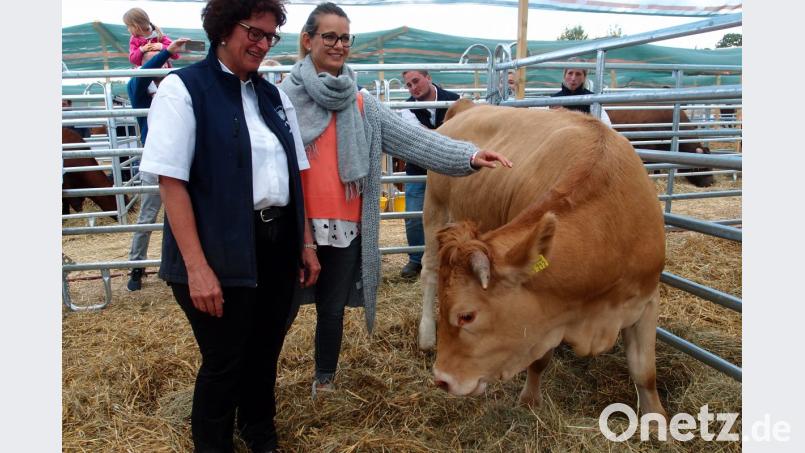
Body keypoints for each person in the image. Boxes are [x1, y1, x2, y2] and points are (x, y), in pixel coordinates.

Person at [279, 2, 511, 399]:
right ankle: (256, 382)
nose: (338, 45)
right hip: (296, 227)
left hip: (347, 227)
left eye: (345, 38)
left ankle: (324, 381)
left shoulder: (362, 103)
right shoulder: (282, 99)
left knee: (332, 312)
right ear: (308, 40)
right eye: (329, 36)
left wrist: (468, 156)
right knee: (277, 313)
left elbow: (417, 141)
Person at [138, 0, 318, 451]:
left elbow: (297, 173)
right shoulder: (184, 89)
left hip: (275, 241)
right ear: (221, 29)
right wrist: (196, 267)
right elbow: (171, 182)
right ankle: (212, 443)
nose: (261, 43)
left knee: (265, 350)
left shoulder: (272, 96)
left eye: (270, 35)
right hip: (216, 247)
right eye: (253, 32)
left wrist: (306, 240)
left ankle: (259, 432)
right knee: (224, 358)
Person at [125, 38, 189, 292]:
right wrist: (164, 53)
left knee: (186, 214)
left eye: (162, 54)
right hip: (155, 162)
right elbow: (142, 77)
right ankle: (137, 266)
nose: (161, 58)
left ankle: (182, 265)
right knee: (148, 216)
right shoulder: (139, 89)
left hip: (183, 160)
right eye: (153, 55)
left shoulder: (178, 86)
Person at [397, 69, 460, 280]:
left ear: (428, 78)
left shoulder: (455, 100)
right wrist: (446, 132)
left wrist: (429, 134)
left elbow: (431, 136)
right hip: (419, 168)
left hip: (449, 170)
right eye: (408, 85)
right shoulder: (407, 108)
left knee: (452, 216)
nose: (413, 87)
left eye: (416, 81)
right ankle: (416, 260)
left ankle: (448, 258)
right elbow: (418, 137)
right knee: (414, 216)